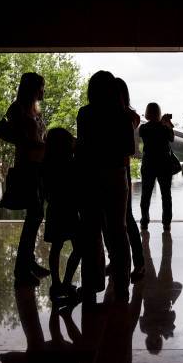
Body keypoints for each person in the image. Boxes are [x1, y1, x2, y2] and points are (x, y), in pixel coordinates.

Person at [75, 71, 135, 303]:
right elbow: (129, 149)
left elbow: (81, 148)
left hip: (90, 177)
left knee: (91, 232)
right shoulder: (122, 116)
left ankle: (92, 284)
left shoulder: (85, 113)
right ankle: (122, 285)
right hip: (116, 176)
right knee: (118, 232)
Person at [6, 72, 50, 286]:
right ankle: (21, 267)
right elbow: (24, 141)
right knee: (34, 217)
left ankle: (28, 262)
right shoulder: (18, 110)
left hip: (37, 166)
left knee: (36, 216)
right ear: (32, 88)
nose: (43, 91)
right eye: (41, 87)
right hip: (28, 167)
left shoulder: (32, 110)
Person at [43, 127, 81, 302]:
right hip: (70, 209)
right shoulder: (71, 163)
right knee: (79, 248)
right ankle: (66, 282)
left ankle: (56, 283)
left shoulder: (47, 163)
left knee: (56, 247)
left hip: (54, 209)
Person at [116, 78, 145, 282]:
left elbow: (129, 149)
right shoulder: (130, 116)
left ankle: (137, 263)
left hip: (118, 168)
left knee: (125, 217)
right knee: (125, 218)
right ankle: (135, 263)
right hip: (119, 168)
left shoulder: (128, 117)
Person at [139, 102, 174, 231]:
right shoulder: (164, 128)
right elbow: (172, 138)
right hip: (164, 165)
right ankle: (166, 223)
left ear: (147, 113)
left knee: (146, 194)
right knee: (166, 195)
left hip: (148, 164)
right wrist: (167, 123)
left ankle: (144, 221)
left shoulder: (143, 128)